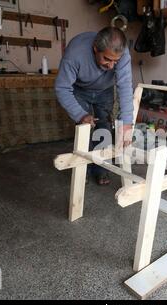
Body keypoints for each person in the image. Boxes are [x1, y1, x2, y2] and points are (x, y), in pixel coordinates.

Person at [55, 27, 134, 186]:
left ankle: (100, 169)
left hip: (104, 90)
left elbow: (124, 85)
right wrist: (80, 115)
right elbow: (62, 88)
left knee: (103, 127)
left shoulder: (123, 53)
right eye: (106, 59)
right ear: (95, 49)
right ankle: (82, 168)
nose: (111, 66)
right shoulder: (75, 54)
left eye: (115, 61)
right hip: (80, 89)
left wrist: (127, 123)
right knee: (84, 128)